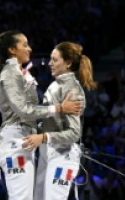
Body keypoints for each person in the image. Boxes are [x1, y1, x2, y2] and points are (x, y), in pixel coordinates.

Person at [0, 30, 82, 200]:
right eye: (24, 45)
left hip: (23, 141)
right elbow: (24, 110)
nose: (29, 49)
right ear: (12, 50)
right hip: (15, 142)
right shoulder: (9, 74)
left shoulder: (19, 74)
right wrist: (59, 109)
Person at [23, 41, 97, 200]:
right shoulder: (55, 85)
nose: (50, 63)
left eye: (55, 60)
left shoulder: (72, 90)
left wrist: (43, 137)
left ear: (68, 63)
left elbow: (74, 133)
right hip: (47, 152)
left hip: (63, 156)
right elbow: (50, 122)